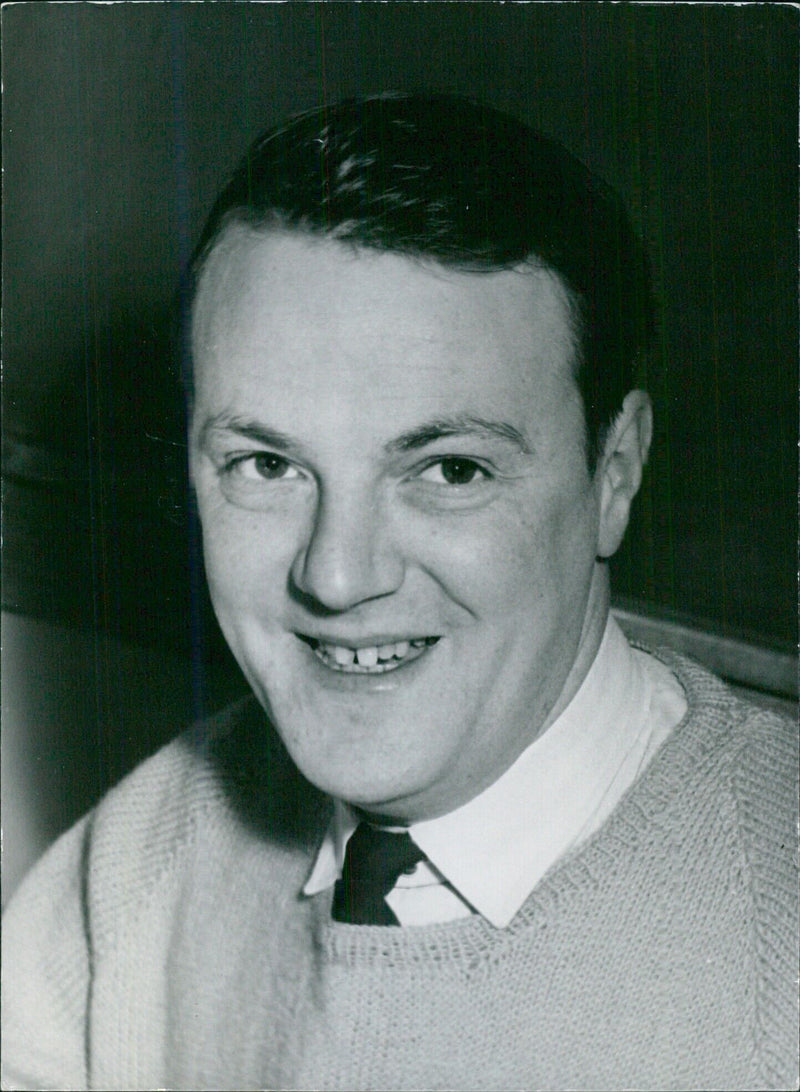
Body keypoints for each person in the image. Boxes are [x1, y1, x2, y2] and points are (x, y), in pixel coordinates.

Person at [2, 93, 797, 1092]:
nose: (336, 575)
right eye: (264, 465)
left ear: (613, 473)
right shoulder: (153, 844)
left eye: (449, 471)